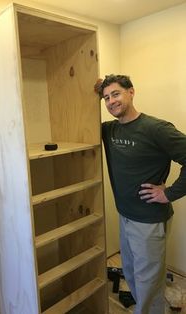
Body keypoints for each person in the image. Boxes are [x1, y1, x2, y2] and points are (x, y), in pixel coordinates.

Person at [95, 74, 186, 314]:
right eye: (106, 97)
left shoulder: (156, 128)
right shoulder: (109, 130)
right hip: (125, 216)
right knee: (133, 272)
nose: (111, 101)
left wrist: (170, 193)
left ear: (131, 92)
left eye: (116, 94)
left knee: (148, 281)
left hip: (149, 220)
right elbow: (83, 122)